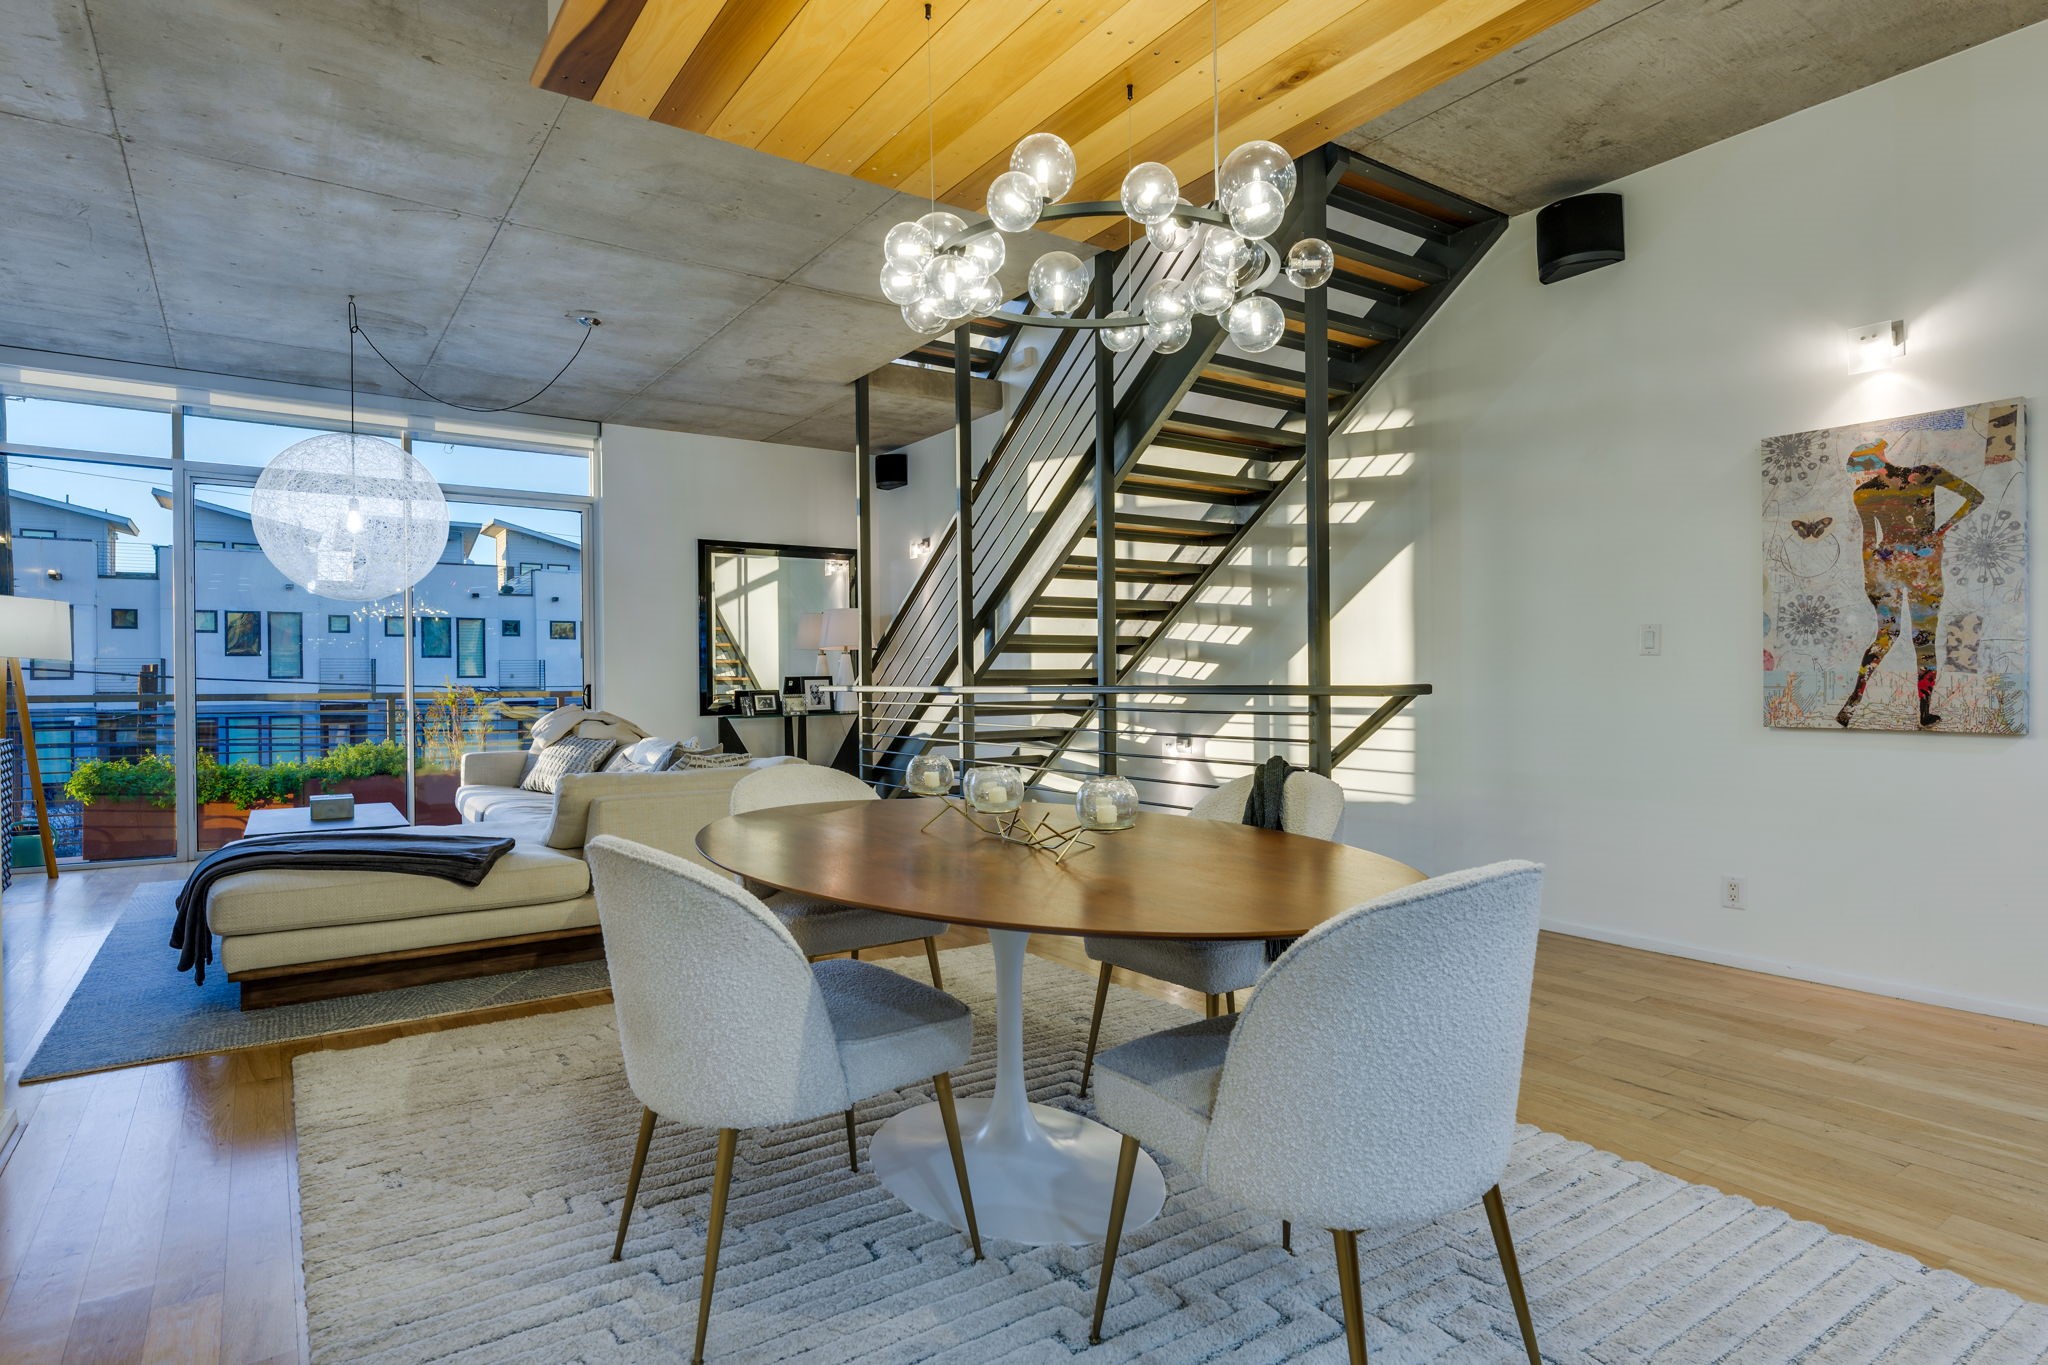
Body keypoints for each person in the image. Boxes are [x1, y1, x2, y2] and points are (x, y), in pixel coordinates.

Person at [1835, 434, 1984, 728]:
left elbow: (1975, 497)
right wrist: (1940, 532)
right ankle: (1920, 712)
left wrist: (1942, 530)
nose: (1868, 468)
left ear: (1879, 457)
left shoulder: (1917, 477)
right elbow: (1868, 538)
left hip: (1899, 567)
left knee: (1894, 636)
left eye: (1866, 462)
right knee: (1916, 639)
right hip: (1913, 565)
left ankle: (1857, 705)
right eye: (1864, 464)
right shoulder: (1877, 489)